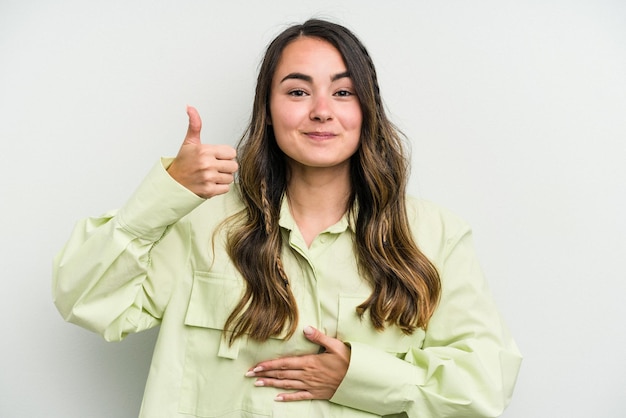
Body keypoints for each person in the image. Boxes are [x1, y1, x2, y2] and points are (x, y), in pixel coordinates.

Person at [53, 18, 522, 418]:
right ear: (269, 111)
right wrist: (165, 195)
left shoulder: (434, 236)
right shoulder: (200, 224)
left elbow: (485, 382)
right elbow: (85, 299)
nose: (321, 111)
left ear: (367, 110)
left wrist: (356, 376)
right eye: (298, 91)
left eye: (343, 92)